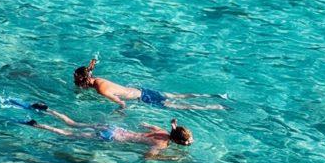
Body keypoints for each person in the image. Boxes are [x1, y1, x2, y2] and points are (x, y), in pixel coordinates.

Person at [26, 108, 194, 156]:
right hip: (112, 137)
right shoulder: (162, 144)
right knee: (68, 134)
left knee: (74, 123)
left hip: (114, 129)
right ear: (177, 141)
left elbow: (146, 125)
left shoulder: (163, 131)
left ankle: (49, 110)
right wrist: (168, 158)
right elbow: (148, 157)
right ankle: (38, 125)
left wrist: (173, 126)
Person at [74, 59, 224, 111]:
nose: (76, 84)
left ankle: (215, 107)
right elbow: (89, 71)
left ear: (84, 80)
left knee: (182, 106)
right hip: (142, 91)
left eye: (77, 81)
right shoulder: (96, 79)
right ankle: (216, 96)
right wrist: (92, 63)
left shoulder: (100, 89)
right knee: (178, 96)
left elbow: (121, 103)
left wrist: (119, 112)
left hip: (145, 99)